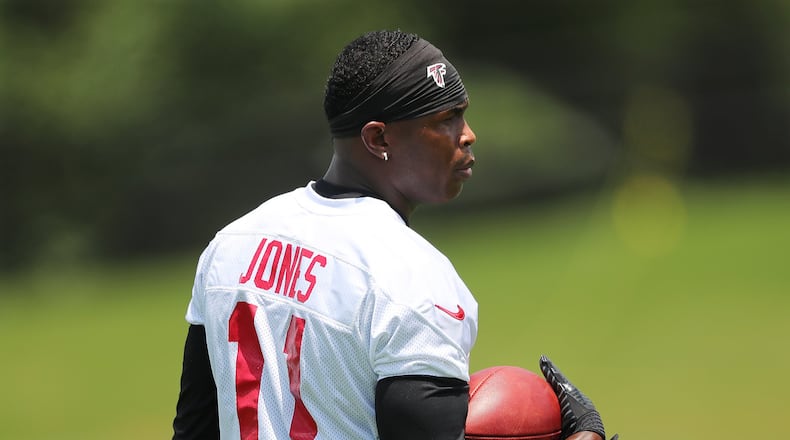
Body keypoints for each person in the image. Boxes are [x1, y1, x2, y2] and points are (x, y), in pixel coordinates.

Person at [172, 29, 613, 440]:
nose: (468, 135)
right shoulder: (410, 273)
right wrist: (585, 434)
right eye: (447, 119)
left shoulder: (231, 246)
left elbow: (193, 431)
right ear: (378, 137)